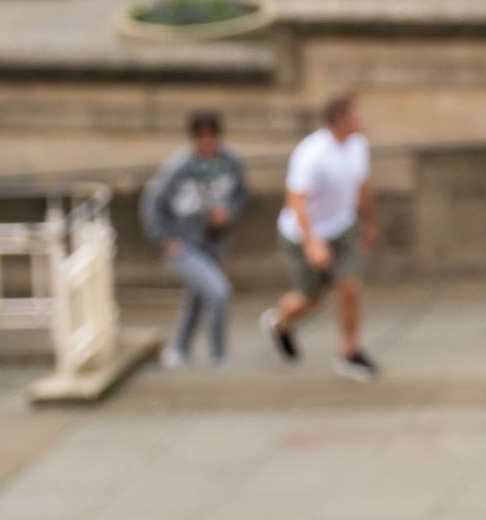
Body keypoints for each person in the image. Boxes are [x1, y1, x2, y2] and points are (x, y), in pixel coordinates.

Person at [265, 91, 378, 381]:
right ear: (340, 119)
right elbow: (297, 200)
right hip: (305, 233)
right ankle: (280, 322)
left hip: (343, 227)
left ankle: (349, 352)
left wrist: (369, 223)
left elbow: (362, 188)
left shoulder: (357, 146)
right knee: (310, 298)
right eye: (355, 115)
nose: (361, 120)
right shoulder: (312, 153)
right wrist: (312, 242)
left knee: (350, 287)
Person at [138, 110, 246, 366]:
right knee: (218, 292)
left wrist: (229, 213)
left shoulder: (231, 162)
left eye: (212, 137)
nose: (207, 144)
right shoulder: (179, 167)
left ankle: (179, 349)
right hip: (184, 244)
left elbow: (241, 194)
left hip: (214, 242)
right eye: (202, 138)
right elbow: (151, 203)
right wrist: (164, 237)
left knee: (197, 297)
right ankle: (219, 355)